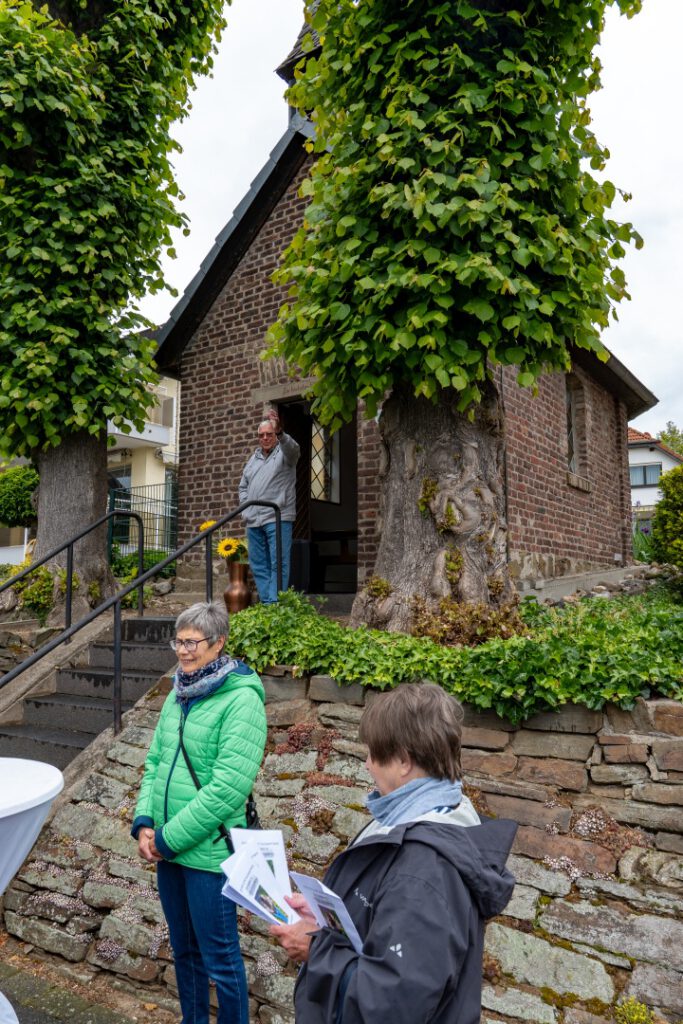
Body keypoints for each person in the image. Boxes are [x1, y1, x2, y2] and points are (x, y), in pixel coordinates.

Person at [271, 683, 517, 1024]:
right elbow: (382, 930)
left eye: (373, 754)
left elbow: (392, 1004)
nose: (367, 765)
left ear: (403, 761)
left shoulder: (424, 871)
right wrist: (326, 919)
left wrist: (317, 949)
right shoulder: (416, 819)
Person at [131, 601, 267, 1024]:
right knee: (185, 953)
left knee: (221, 960)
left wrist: (167, 839)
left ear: (218, 643)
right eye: (179, 641)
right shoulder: (178, 693)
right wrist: (145, 823)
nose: (184, 651)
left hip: (208, 855)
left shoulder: (241, 699)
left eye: (193, 642)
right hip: (168, 850)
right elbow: (155, 763)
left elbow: (227, 790)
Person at [238, 410, 300, 604]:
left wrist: (280, 432)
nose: (265, 438)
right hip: (253, 518)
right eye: (261, 435)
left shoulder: (286, 454)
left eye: (269, 434)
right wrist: (247, 508)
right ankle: (268, 604)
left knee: (278, 563)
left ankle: (275, 604)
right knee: (258, 564)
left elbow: (293, 449)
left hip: (277, 516)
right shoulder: (253, 458)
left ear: (275, 435)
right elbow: (243, 487)